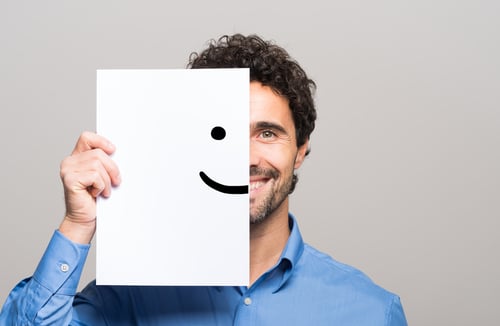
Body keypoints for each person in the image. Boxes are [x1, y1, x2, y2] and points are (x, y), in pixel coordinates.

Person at [0, 34, 407, 325]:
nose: (245, 158)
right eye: (223, 134)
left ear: (301, 151)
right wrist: (77, 224)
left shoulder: (371, 311)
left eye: (267, 133)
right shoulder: (132, 296)